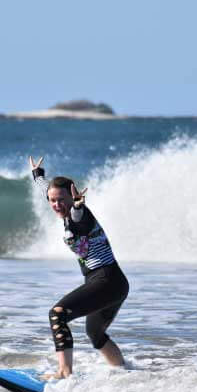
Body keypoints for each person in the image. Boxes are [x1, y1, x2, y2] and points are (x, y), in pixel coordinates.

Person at [29, 156, 130, 379]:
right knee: (95, 334)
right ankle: (125, 375)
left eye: (61, 200)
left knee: (57, 315)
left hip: (106, 280)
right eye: (52, 201)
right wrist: (38, 174)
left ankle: (64, 372)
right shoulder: (57, 201)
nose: (56, 204)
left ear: (72, 196)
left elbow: (77, 214)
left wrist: (77, 205)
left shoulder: (79, 215)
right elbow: (48, 190)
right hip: (114, 284)